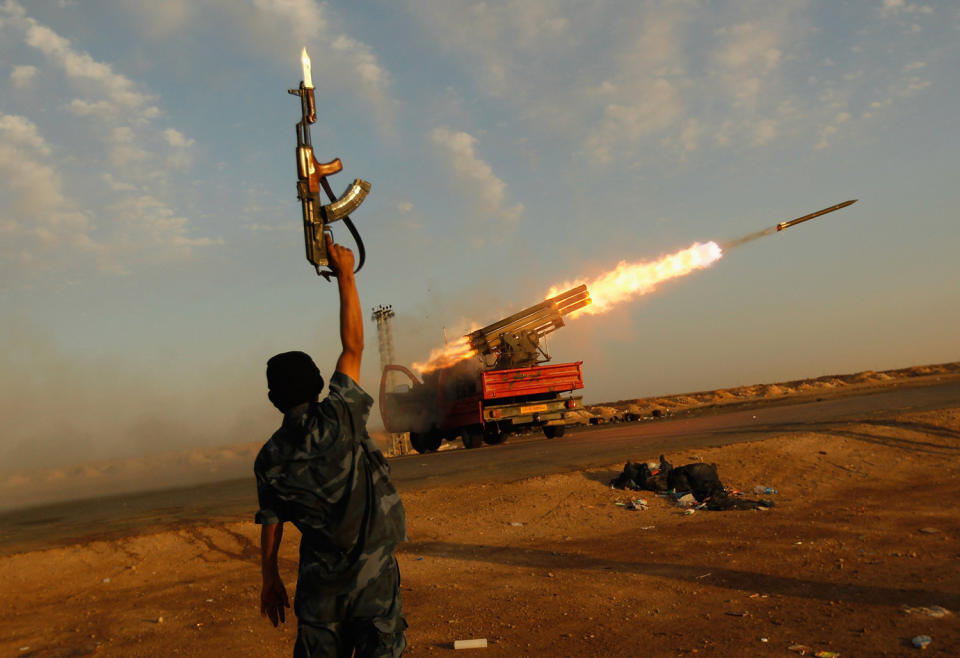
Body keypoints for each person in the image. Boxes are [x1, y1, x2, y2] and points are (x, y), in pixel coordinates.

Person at [254, 234, 407, 657]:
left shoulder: (269, 458)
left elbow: (272, 521)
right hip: (373, 583)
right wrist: (345, 276)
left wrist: (269, 578)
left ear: (273, 399)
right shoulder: (341, 413)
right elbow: (353, 345)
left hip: (320, 591)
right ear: (321, 384)